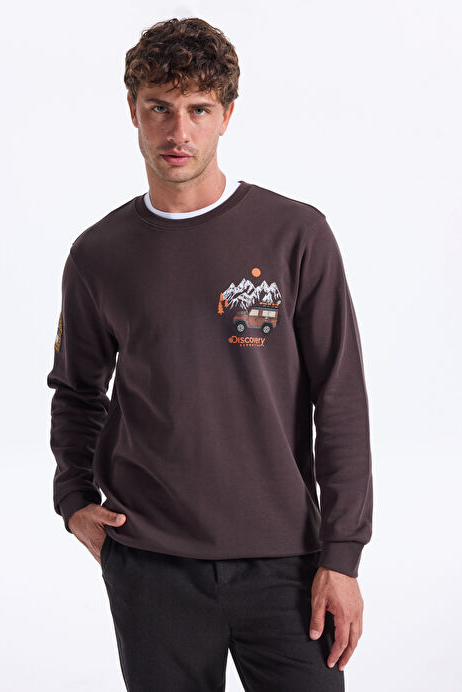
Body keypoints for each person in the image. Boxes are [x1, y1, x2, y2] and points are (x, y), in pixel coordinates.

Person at [47, 16, 373, 692]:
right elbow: (77, 390)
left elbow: (339, 397)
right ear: (132, 111)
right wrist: (73, 495)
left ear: (226, 115)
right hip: (150, 565)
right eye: (159, 108)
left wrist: (341, 555)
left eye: (198, 108)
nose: (178, 131)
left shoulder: (296, 234)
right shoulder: (98, 254)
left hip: (286, 563)